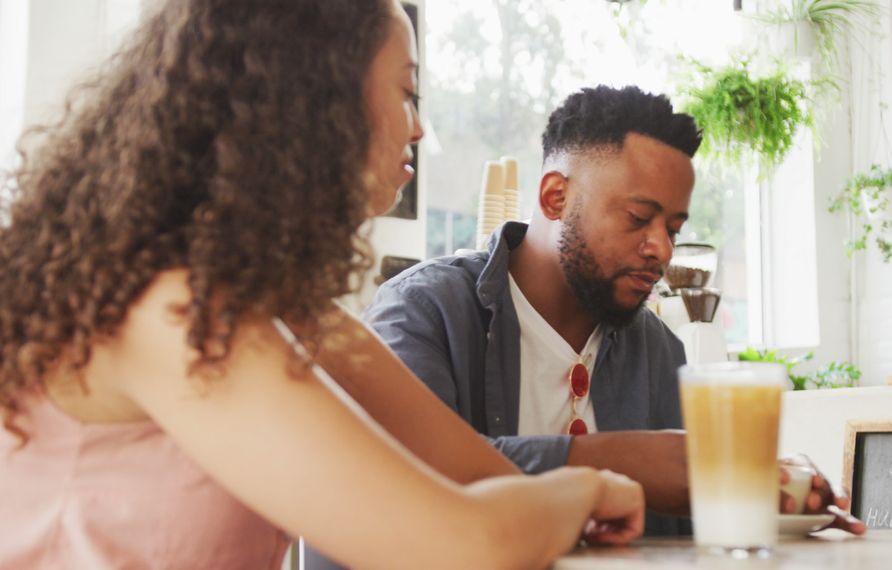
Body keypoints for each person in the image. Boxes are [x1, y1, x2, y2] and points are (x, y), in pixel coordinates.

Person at [0, 1, 645, 568]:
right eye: (406, 92)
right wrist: (588, 489)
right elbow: (462, 546)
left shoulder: (291, 316)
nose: (419, 127)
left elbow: (478, 476)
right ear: (312, 101)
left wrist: (554, 495)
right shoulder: (172, 309)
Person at [364, 85, 866, 536]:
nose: (663, 251)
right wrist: (637, 463)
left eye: (672, 228)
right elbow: (405, 479)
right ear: (555, 196)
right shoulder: (423, 312)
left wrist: (769, 488)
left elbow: (687, 522)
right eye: (639, 218)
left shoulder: (659, 349)